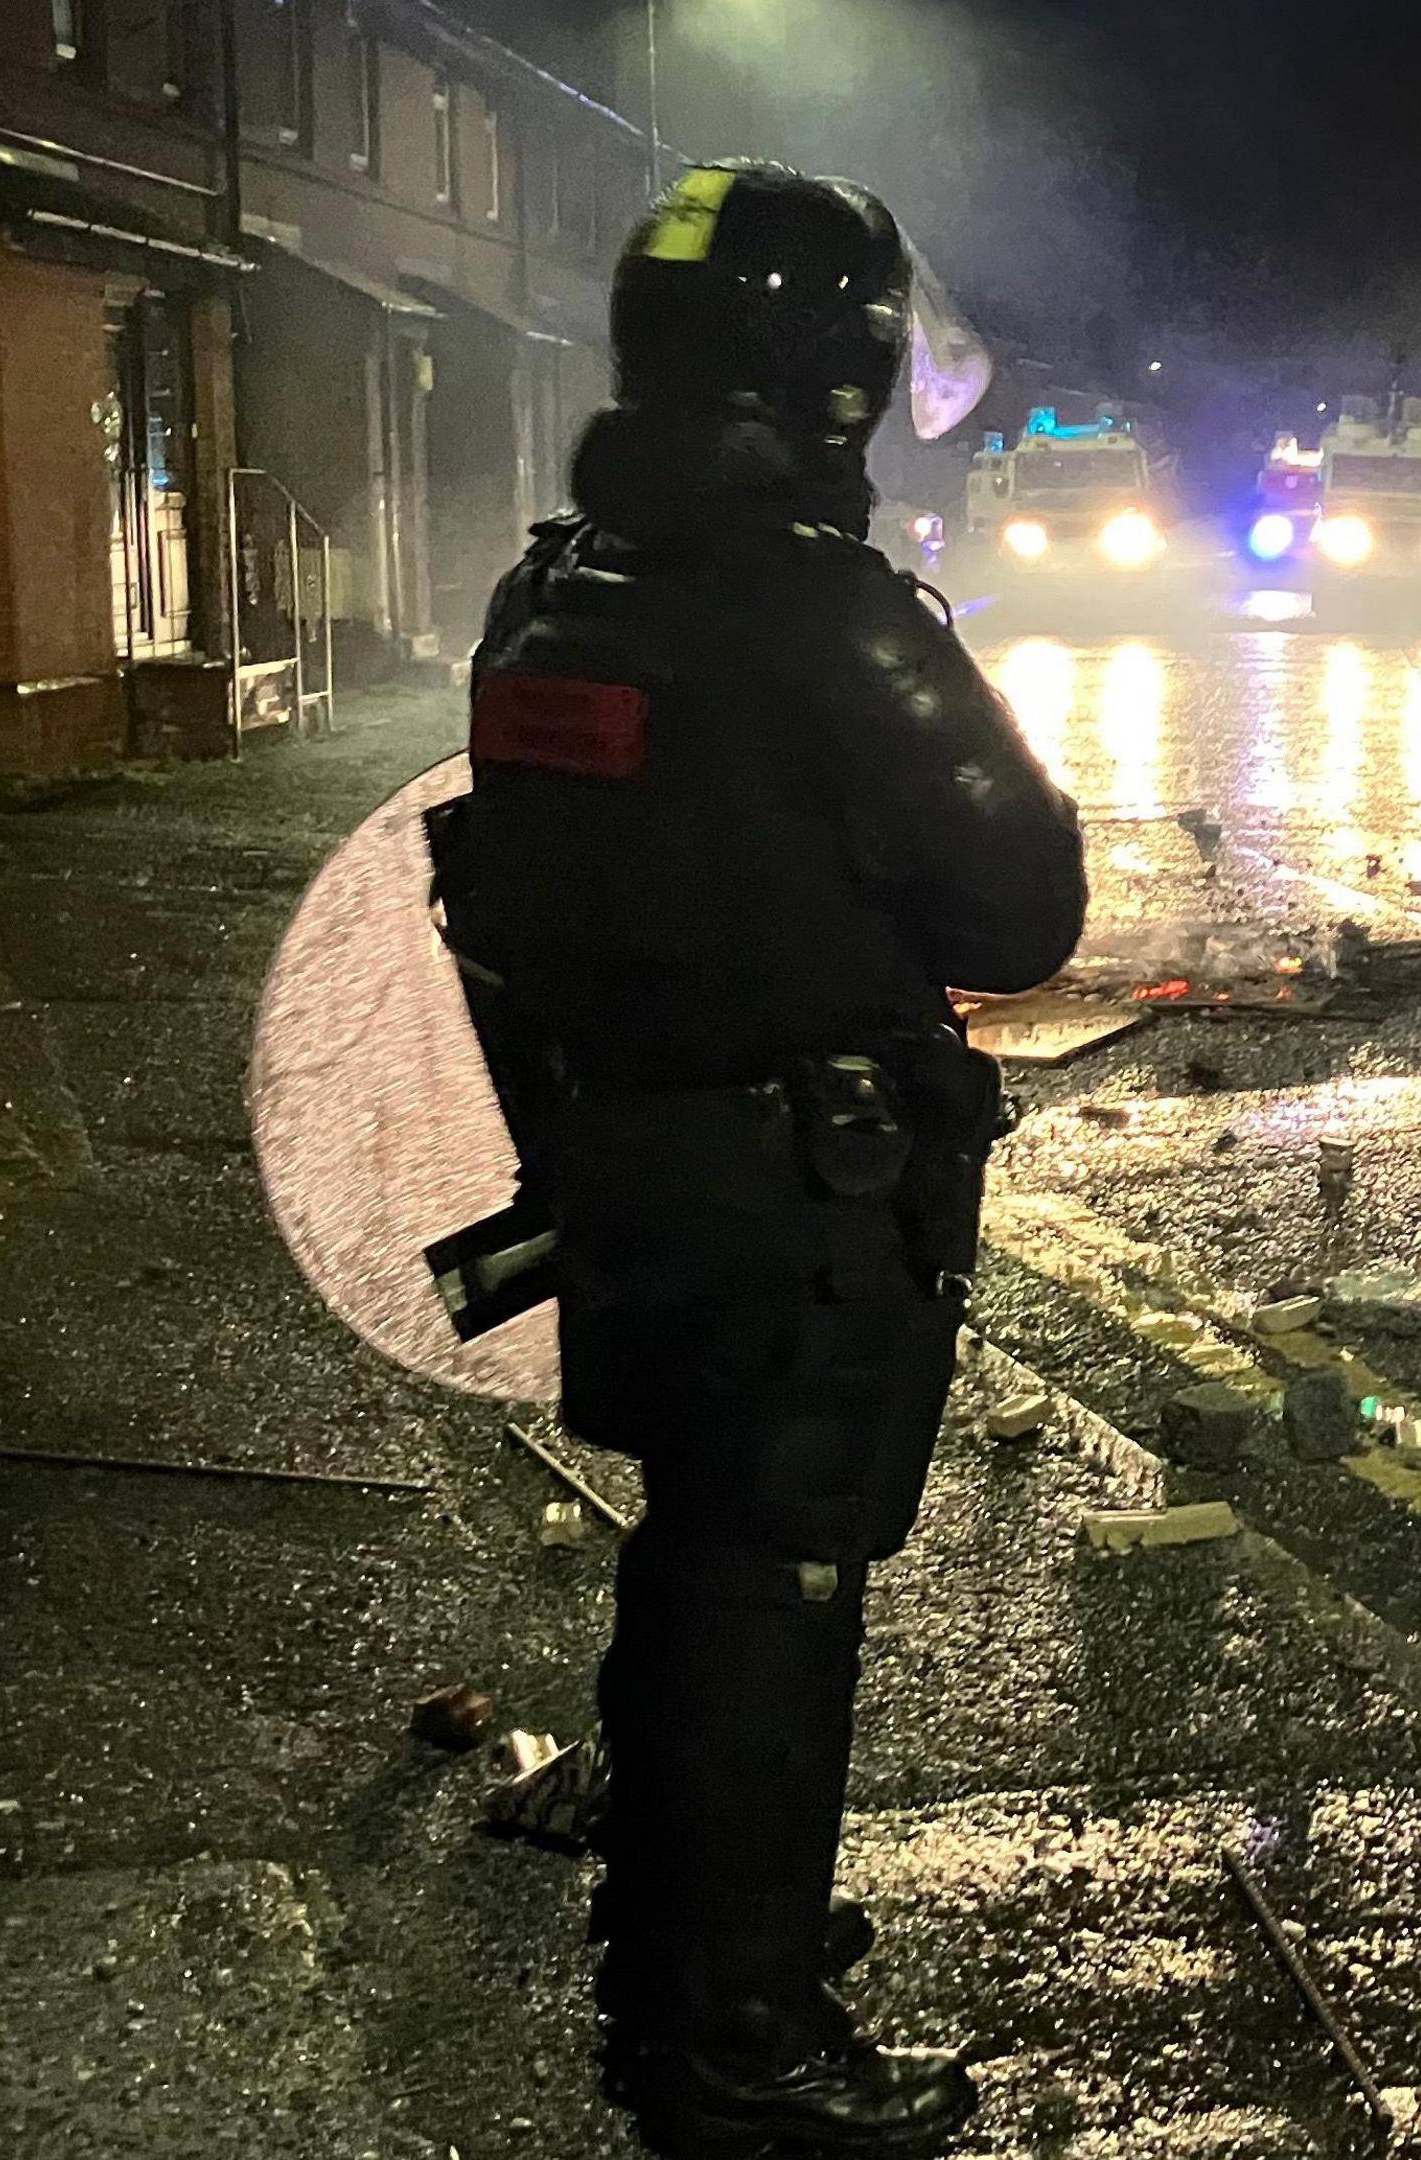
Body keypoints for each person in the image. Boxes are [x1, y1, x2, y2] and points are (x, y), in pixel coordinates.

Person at [429, 161, 1085, 2156]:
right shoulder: (822, 612)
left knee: (700, 1558)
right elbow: (1021, 905)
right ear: (838, 373)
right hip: (802, 1194)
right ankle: (747, 2052)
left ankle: (687, 1953)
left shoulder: (555, 587)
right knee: (775, 1591)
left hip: (625, 1163)